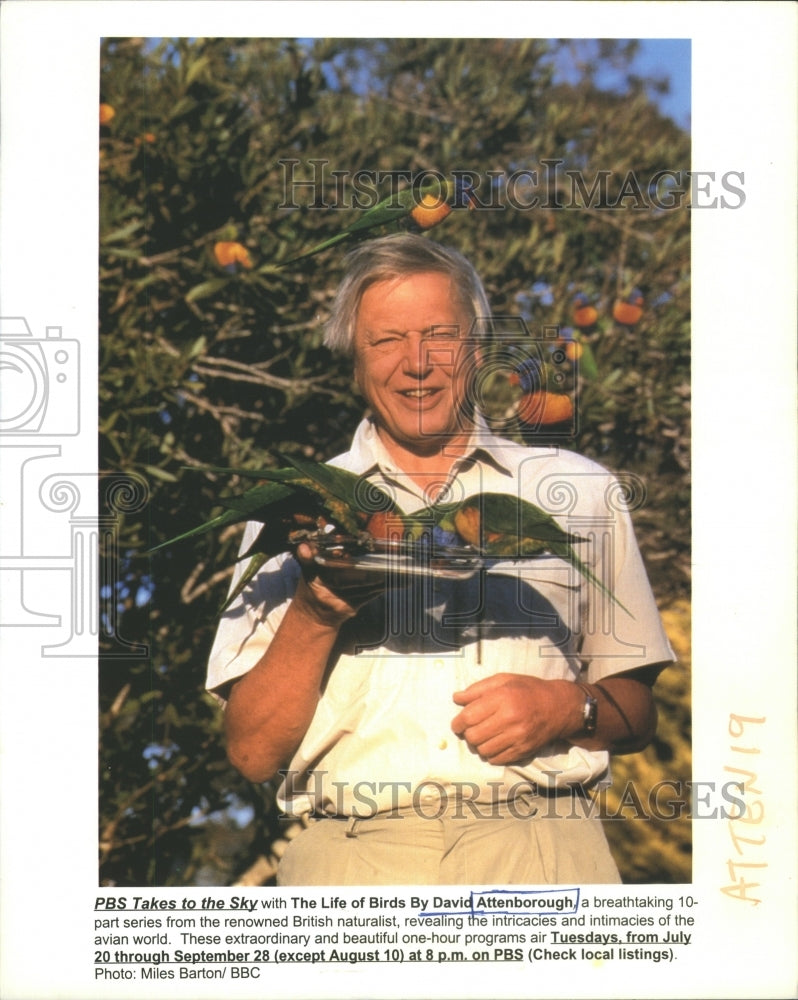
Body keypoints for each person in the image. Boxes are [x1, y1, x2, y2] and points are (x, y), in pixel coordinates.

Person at [206, 234, 675, 886]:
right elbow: (253, 752)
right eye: (386, 340)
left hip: (544, 856)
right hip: (349, 865)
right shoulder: (296, 509)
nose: (416, 363)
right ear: (355, 361)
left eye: (439, 335)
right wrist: (317, 609)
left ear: (477, 352)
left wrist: (568, 709)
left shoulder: (579, 491)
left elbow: (639, 711)